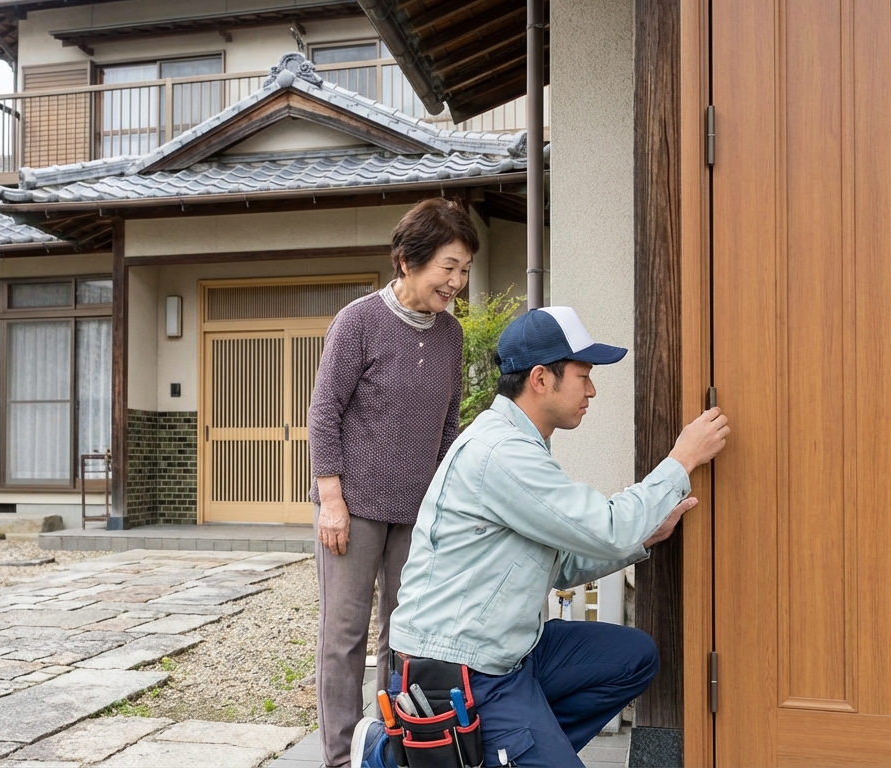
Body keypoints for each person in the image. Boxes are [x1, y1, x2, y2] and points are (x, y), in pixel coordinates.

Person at [354, 306, 729, 768]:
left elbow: (560, 564)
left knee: (634, 657)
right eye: (582, 375)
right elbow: (608, 527)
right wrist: (681, 458)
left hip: (511, 656)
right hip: (462, 672)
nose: (591, 389)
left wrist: (643, 540)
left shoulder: (525, 444)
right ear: (540, 379)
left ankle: (508, 746)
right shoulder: (501, 453)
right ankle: (395, 754)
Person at [308, 197, 480, 768]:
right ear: (408, 260)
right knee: (345, 635)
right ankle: (339, 757)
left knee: (406, 637)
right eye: (447, 267)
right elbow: (325, 410)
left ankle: (391, 748)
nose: (456, 281)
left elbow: (449, 425)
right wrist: (330, 499)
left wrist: (449, 505)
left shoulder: (450, 336)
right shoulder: (358, 321)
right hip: (353, 509)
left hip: (418, 511)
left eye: (463, 270)